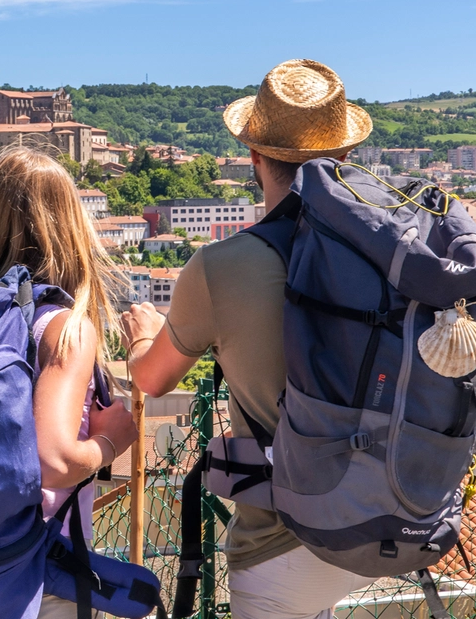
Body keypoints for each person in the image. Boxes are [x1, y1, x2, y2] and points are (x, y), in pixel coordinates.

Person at [126, 59, 377, 619]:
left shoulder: (223, 266)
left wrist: (142, 337)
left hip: (284, 538)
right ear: (343, 158)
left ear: (255, 158)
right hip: (380, 515)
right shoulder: (386, 253)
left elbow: (153, 377)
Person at [0, 147, 139, 619]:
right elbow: (54, 462)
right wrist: (109, 441)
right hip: (36, 576)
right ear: (69, 226)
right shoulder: (64, 327)